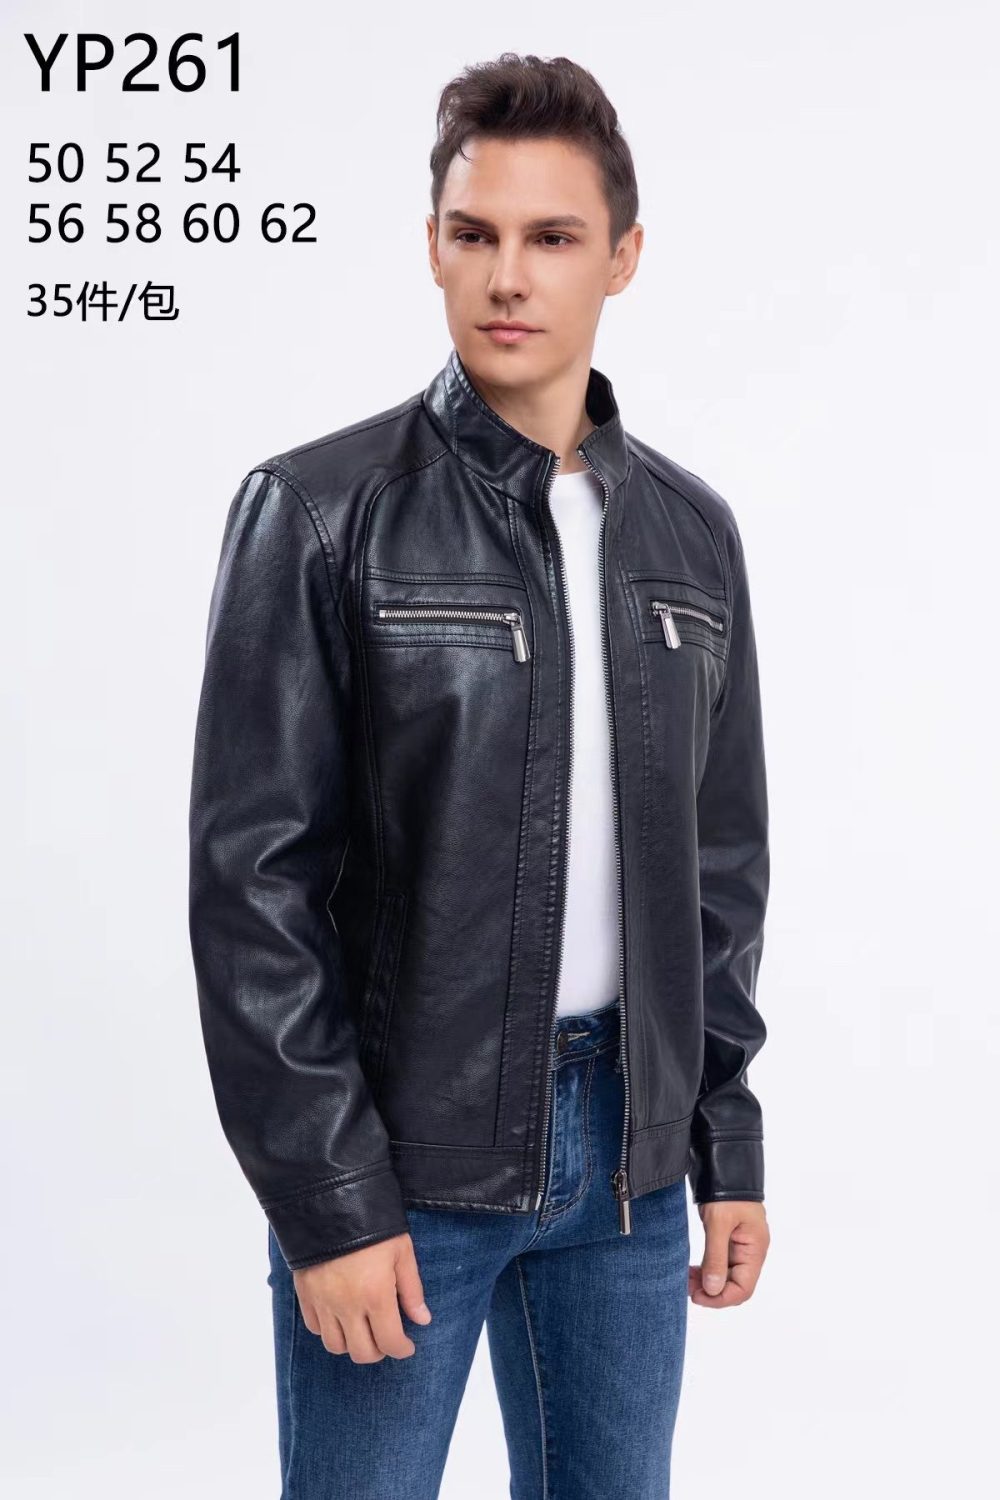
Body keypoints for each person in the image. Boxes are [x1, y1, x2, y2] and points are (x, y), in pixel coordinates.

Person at [188, 50, 771, 1500]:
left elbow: (718, 871)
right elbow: (253, 890)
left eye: (553, 237)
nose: (510, 276)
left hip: (627, 1172)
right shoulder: (321, 512)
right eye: (476, 233)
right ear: (435, 248)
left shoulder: (690, 538)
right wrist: (329, 1199)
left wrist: (724, 1137)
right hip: (404, 1167)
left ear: (622, 258)